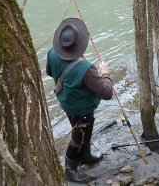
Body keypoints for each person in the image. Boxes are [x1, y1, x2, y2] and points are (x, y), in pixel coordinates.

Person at [46, 17, 113, 183]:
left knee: (83, 133)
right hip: (81, 108)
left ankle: (86, 156)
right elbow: (107, 93)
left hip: (66, 101)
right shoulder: (86, 69)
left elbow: (49, 72)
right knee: (79, 137)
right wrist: (105, 73)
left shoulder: (52, 53)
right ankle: (70, 169)